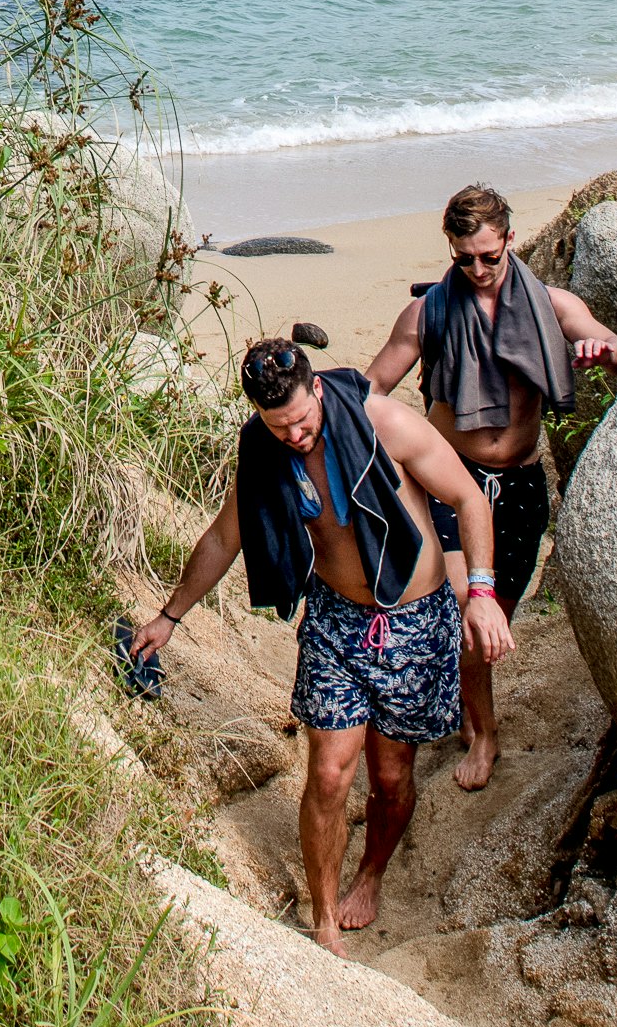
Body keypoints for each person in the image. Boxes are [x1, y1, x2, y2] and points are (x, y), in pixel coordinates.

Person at [127, 334, 511, 949]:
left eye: (303, 420)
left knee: (390, 779)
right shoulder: (263, 451)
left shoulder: (382, 421)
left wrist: (484, 595)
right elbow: (225, 539)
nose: (296, 436)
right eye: (280, 428)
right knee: (330, 775)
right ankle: (325, 919)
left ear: (319, 389)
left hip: (415, 621)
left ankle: (371, 872)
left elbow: (467, 497)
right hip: (336, 623)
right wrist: (170, 615)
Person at [368, 185, 617, 784]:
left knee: (492, 627)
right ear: (452, 251)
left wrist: (599, 350)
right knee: (472, 609)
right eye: (466, 259)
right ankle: (483, 736)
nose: (479, 270)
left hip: (520, 486)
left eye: (490, 255)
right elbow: (371, 393)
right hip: (449, 481)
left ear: (510, 241)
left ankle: (468, 701)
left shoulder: (551, 303)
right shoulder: (427, 312)